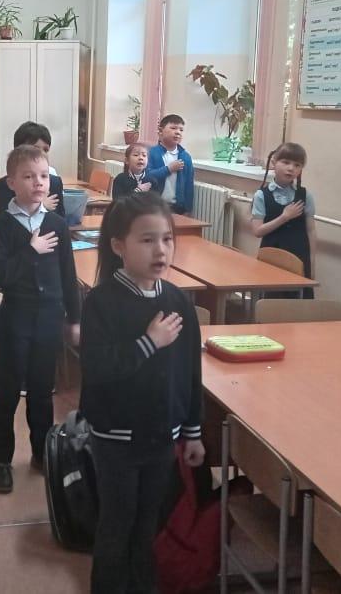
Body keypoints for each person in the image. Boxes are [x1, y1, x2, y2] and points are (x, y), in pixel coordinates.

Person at [81, 193, 204, 593]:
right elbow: (98, 369)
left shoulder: (178, 300)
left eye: (167, 239)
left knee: (150, 525)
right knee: (117, 525)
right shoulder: (101, 302)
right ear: (119, 246)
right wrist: (149, 342)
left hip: (162, 436)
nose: (161, 250)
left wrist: (193, 431)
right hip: (116, 438)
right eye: (147, 240)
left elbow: (190, 370)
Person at [0, 144, 80, 494]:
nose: (38, 182)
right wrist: (30, 249)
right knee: (7, 392)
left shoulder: (56, 223)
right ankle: (0, 460)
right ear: (11, 182)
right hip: (16, 319)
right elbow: (2, 276)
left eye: (43, 175)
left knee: (42, 391)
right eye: (28, 176)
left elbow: (68, 274)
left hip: (49, 319)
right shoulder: (2, 225)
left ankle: (42, 453)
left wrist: (74, 318)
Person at [251, 142, 316, 299]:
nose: (291, 168)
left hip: (299, 254)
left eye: (297, 165)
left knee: (298, 302)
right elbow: (257, 231)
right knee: (271, 300)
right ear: (274, 163)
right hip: (271, 255)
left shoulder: (305, 195)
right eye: (286, 162)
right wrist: (284, 217)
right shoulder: (261, 195)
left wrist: (312, 262)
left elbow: (311, 230)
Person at [0, 121, 66, 217]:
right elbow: (5, 219)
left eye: (45, 150)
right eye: (35, 149)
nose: (41, 154)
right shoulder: (6, 184)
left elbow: (61, 218)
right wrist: (41, 206)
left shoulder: (55, 182)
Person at [145, 115, 194, 214]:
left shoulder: (186, 157)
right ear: (160, 131)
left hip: (177, 208)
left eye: (181, 130)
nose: (178, 132)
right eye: (173, 128)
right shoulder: (151, 153)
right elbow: (146, 176)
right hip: (154, 206)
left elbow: (189, 185)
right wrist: (168, 169)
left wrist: (188, 210)